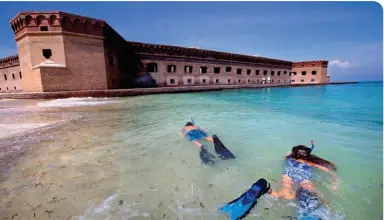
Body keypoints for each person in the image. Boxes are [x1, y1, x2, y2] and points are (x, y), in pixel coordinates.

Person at [268, 144, 339, 200]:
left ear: (293, 153)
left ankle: (267, 191)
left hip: (288, 174)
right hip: (304, 177)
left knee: (282, 193)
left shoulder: (288, 158)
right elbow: (329, 172)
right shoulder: (310, 162)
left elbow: (288, 153)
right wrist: (335, 183)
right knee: (318, 196)